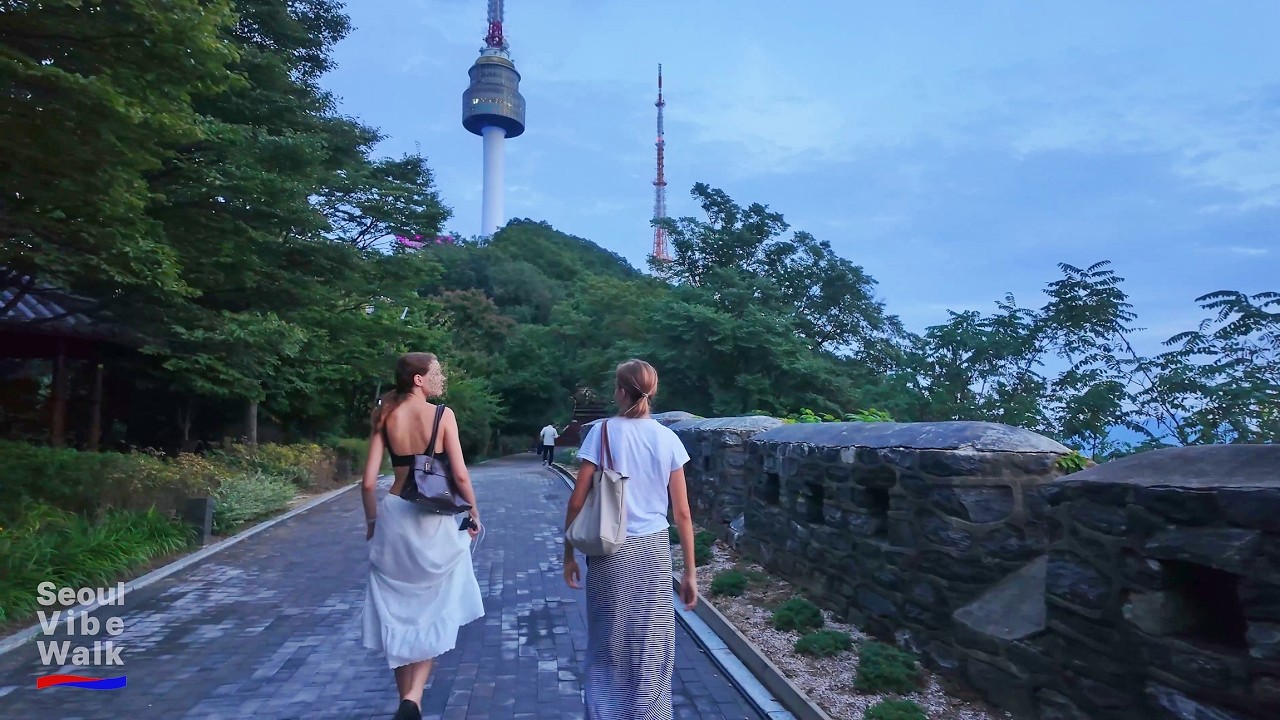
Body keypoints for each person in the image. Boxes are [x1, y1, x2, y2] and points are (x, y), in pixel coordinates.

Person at [562, 359, 697, 720]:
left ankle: (606, 712)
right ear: (652, 392)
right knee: (651, 645)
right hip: (653, 553)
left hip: (611, 552)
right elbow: (681, 513)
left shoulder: (603, 432)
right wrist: (690, 573)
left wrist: (568, 554)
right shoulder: (669, 439)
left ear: (620, 391)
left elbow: (577, 500)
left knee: (608, 643)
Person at [360, 352, 484, 720]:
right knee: (434, 606)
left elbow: (368, 482)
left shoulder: (385, 416)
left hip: (395, 515)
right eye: (437, 372)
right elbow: (460, 476)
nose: (441, 378)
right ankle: (413, 698)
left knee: (399, 611)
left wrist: (371, 522)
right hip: (434, 518)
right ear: (418, 379)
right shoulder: (443, 416)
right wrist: (473, 511)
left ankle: (406, 700)